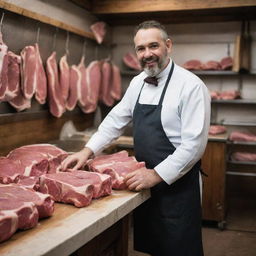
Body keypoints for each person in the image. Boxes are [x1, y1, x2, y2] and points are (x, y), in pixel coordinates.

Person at [62, 20, 210, 256]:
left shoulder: (191, 86)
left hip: (176, 186)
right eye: (141, 48)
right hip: (144, 183)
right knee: (154, 247)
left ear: (168, 45)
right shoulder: (138, 82)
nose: (147, 54)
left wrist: (155, 175)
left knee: (179, 248)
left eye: (154, 46)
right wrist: (87, 151)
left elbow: (194, 147)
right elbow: (115, 120)